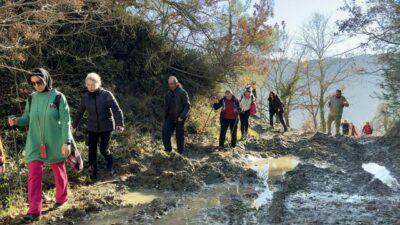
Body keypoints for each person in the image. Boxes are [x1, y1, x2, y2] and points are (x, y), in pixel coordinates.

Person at [8, 68, 72, 222]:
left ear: (47, 79)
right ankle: (34, 210)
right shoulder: (31, 98)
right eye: (34, 83)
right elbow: (27, 119)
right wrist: (16, 120)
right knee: (33, 175)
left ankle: (62, 198)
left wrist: (67, 142)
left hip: (55, 140)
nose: (37, 85)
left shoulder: (58, 97)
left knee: (59, 170)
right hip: (35, 142)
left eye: (40, 82)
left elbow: (65, 121)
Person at [72, 72, 124, 180]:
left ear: (98, 84)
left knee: (103, 149)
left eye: (93, 84)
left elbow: (117, 110)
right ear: (86, 85)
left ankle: (110, 161)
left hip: (106, 126)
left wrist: (119, 124)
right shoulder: (85, 97)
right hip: (92, 127)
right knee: (92, 149)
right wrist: (73, 126)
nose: (90, 87)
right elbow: (79, 112)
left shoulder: (106, 95)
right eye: (88, 85)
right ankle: (93, 171)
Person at [162, 76, 191, 154]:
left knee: (179, 136)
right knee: (165, 132)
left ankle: (180, 153)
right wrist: (166, 116)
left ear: (176, 83)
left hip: (180, 118)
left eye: (172, 84)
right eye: (169, 84)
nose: (171, 85)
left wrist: (182, 116)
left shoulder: (182, 92)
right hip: (170, 117)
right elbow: (167, 106)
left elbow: (187, 106)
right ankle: (168, 151)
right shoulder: (168, 93)